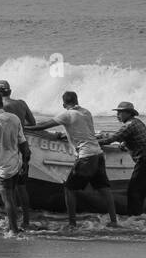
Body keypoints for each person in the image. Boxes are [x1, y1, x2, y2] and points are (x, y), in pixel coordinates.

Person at [27, 91, 118, 229]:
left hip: (86, 157)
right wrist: (66, 135)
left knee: (69, 189)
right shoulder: (86, 112)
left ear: (64, 104)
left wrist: (24, 127)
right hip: (98, 154)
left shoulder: (67, 115)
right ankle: (114, 221)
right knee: (104, 190)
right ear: (77, 100)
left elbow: (43, 126)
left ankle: (72, 223)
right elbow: (84, 131)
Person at [98, 101, 146, 216]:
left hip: (144, 160)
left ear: (128, 113)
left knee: (134, 191)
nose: (117, 115)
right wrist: (124, 144)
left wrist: (94, 143)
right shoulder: (138, 122)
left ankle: (134, 218)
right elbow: (137, 139)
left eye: (120, 112)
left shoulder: (129, 125)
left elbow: (112, 139)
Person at [0, 92, 31, 237]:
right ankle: (16, 224)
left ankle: (13, 229)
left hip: (3, 167)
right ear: (2, 103)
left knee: (8, 199)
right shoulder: (14, 118)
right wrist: (25, 163)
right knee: (14, 194)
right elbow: (23, 143)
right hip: (16, 163)